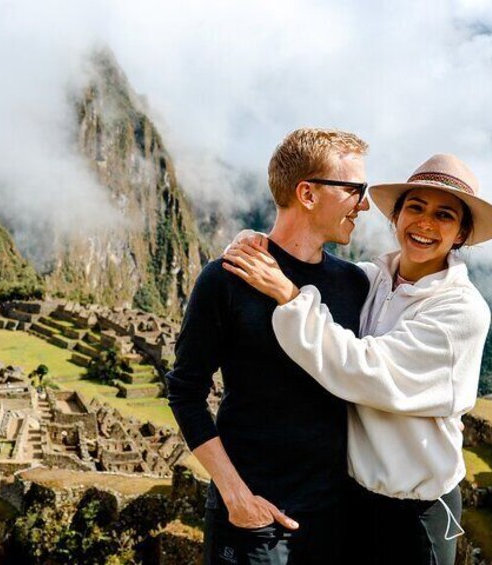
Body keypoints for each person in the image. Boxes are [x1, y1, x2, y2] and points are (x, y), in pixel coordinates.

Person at [222, 153, 492, 564]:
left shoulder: (459, 310)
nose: (425, 223)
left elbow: (365, 370)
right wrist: (257, 243)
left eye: (444, 215)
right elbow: (310, 265)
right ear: (396, 217)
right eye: (415, 207)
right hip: (355, 497)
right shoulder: (374, 280)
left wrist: (289, 297)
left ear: (461, 233)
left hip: (415, 512)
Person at [166, 128, 372, 564]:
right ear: (308, 194)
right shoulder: (226, 279)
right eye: (355, 190)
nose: (365, 204)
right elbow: (185, 391)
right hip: (254, 522)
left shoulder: (355, 284)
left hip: (335, 518)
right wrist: (236, 496)